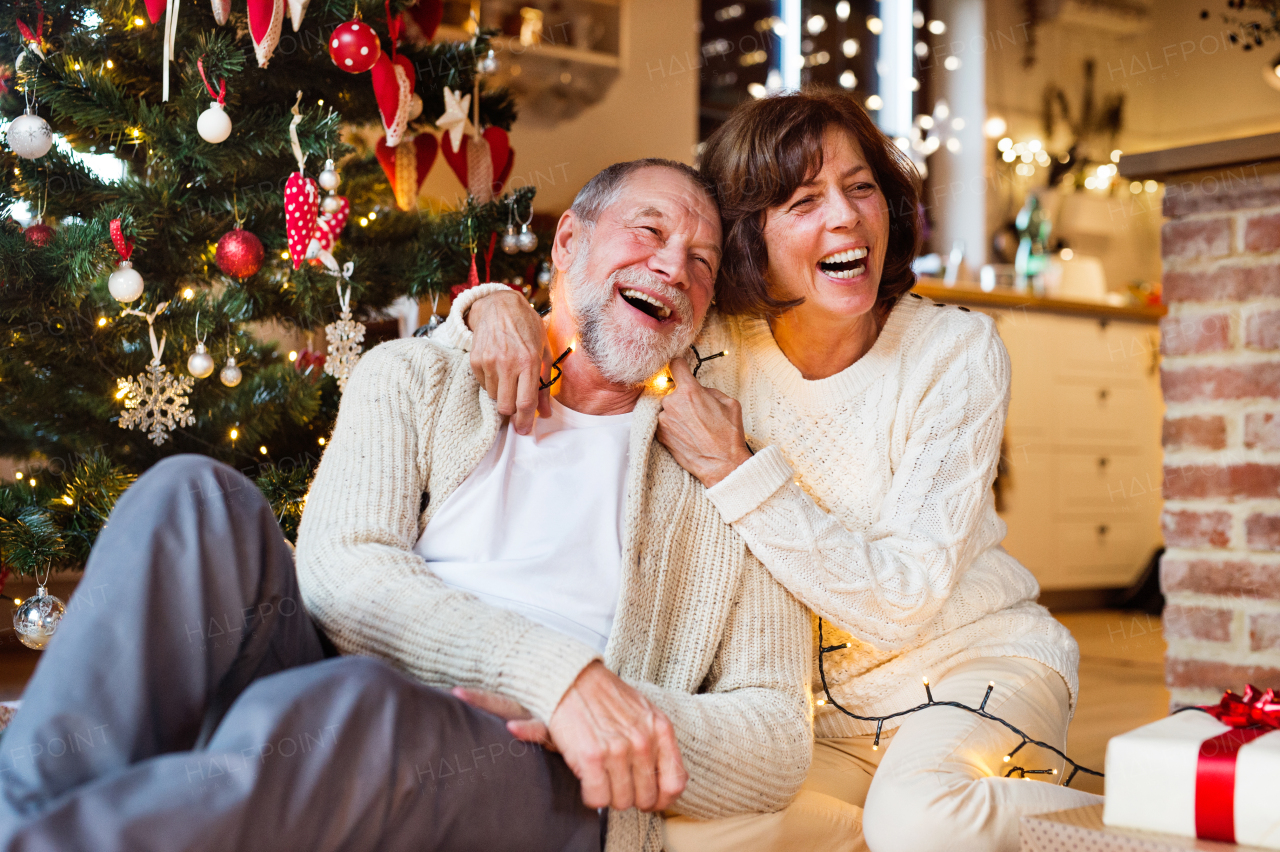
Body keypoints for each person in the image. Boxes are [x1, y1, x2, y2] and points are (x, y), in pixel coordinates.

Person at [0, 159, 813, 852]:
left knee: (354, 709)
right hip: (364, 680)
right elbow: (341, 576)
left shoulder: (719, 469)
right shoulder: (418, 377)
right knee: (192, 496)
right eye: (649, 232)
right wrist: (556, 677)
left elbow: (777, 738)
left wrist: (602, 713)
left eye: (702, 262)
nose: (675, 267)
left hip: (540, 770)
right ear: (569, 243)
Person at [455, 89, 1104, 852]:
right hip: (811, 718)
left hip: (970, 664)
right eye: (803, 200)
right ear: (747, 239)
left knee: (924, 818)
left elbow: (904, 601)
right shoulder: (712, 343)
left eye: (861, 187)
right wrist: (488, 304)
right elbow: (593, 312)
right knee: (680, 838)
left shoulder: (955, 352)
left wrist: (738, 469)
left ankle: (1128, 827)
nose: (846, 217)